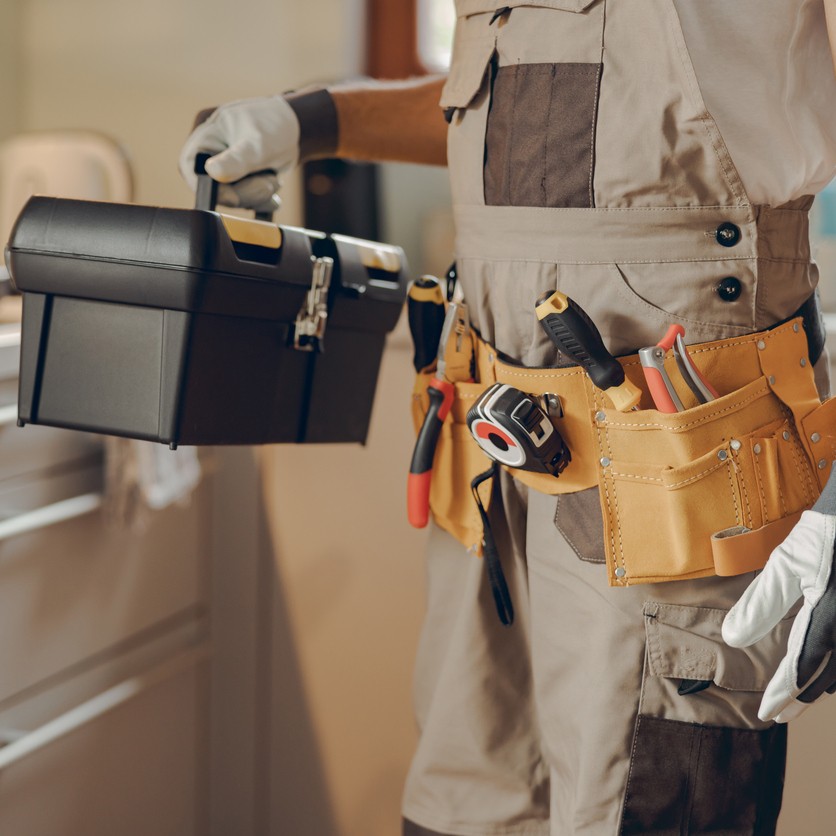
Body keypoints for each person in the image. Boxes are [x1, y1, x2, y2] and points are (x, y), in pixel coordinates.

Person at [180, 2, 836, 833]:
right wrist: (311, 120)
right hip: (488, 473)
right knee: (461, 807)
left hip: (674, 481)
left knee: (648, 799)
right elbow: (522, 115)